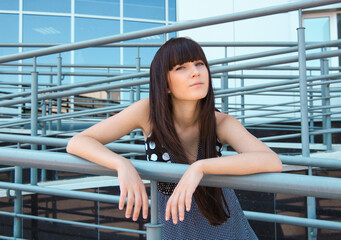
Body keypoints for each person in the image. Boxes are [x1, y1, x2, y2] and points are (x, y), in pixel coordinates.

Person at [66, 37, 282, 239]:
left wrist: (200, 167)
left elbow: (272, 161)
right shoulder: (148, 112)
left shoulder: (220, 122)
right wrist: (122, 164)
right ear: (166, 84)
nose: (196, 72)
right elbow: (78, 142)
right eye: (181, 68)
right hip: (174, 229)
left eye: (199, 64)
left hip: (224, 227)